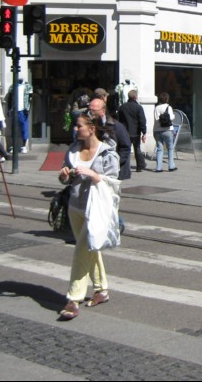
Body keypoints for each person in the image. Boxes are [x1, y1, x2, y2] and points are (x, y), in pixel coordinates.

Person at [57, 111, 120, 320]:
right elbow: (64, 179)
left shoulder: (106, 152)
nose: (76, 129)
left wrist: (94, 175)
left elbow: (113, 180)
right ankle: (102, 290)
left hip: (95, 209)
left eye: (79, 126)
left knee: (81, 251)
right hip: (74, 206)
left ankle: (73, 300)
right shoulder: (73, 149)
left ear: (91, 129)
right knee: (91, 248)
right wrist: (64, 176)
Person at [88, 97, 132, 180]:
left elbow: (125, 147)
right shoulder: (90, 125)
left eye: (94, 111)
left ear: (103, 111)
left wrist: (114, 162)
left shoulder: (116, 126)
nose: (91, 113)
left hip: (113, 171)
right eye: (90, 110)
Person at [117, 89, 148, 172]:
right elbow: (142, 120)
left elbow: (119, 119)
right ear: (136, 97)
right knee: (137, 148)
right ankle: (140, 166)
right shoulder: (138, 107)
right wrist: (144, 132)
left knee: (126, 150)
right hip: (136, 132)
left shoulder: (122, 107)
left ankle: (125, 167)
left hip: (125, 131)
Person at [6, 79, 32, 153]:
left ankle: (23, 146)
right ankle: (14, 145)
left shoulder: (27, 86)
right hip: (15, 110)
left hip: (24, 110)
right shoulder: (13, 86)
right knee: (14, 128)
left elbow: (30, 98)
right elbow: (10, 98)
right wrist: (9, 109)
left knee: (24, 128)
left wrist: (28, 109)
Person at [153, 92, 177, 172]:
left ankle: (159, 168)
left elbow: (156, 119)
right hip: (167, 130)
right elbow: (171, 117)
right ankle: (171, 166)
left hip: (157, 130)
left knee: (159, 149)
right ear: (167, 99)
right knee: (170, 148)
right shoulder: (168, 107)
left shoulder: (156, 108)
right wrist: (173, 116)